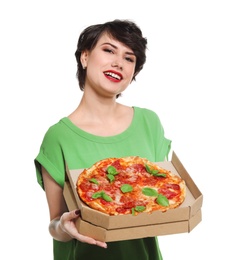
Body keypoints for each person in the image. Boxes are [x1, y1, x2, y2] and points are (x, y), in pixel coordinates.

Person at [34, 19, 171, 260]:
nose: (118, 63)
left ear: (134, 72)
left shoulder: (150, 123)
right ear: (84, 57)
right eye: (109, 50)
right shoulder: (58, 137)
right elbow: (55, 225)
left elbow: (158, 199)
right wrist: (64, 226)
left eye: (129, 58)